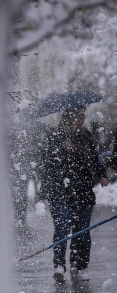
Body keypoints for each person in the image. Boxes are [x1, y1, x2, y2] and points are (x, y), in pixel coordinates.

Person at [41, 107, 108, 282]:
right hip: (60, 192)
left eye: (84, 117)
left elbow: (94, 160)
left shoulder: (86, 136)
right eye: (80, 117)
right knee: (62, 228)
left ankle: (81, 264)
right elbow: (48, 165)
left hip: (83, 192)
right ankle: (59, 265)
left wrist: (102, 175)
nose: (82, 121)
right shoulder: (56, 137)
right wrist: (63, 151)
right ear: (71, 118)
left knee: (83, 231)